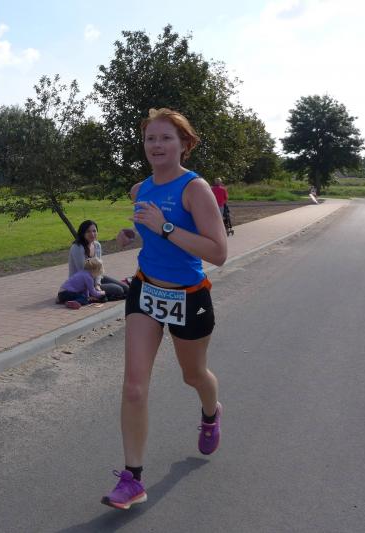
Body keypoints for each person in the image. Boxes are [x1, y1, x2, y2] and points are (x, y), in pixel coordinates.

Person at [102, 108, 228, 510]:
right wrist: (133, 233)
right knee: (134, 385)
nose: (156, 145)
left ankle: (211, 411)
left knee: (194, 375)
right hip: (146, 292)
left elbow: (218, 252)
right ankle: (132, 479)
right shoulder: (140, 189)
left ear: (184, 144)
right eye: (150, 139)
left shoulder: (195, 189)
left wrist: (165, 227)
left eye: (166, 138)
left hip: (189, 297)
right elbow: (152, 234)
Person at [68, 220, 128, 301]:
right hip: (82, 283)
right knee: (118, 290)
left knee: (126, 288)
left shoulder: (97, 245)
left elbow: (99, 269)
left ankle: (98, 295)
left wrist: (97, 284)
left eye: (94, 231)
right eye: (88, 231)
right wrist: (94, 286)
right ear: (82, 233)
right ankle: (92, 296)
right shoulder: (77, 247)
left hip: (95, 278)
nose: (92, 234)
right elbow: (82, 272)